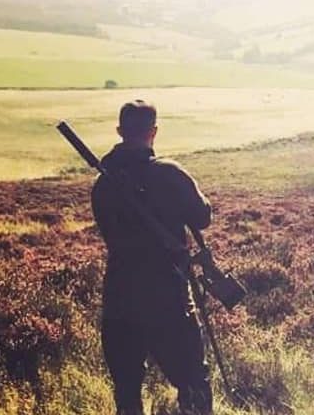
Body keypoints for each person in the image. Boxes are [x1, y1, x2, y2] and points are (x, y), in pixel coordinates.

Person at [91, 100, 214, 415]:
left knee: (127, 392)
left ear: (120, 131)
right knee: (193, 383)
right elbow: (202, 217)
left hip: (119, 297)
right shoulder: (169, 173)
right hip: (167, 296)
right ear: (154, 131)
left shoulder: (103, 185)